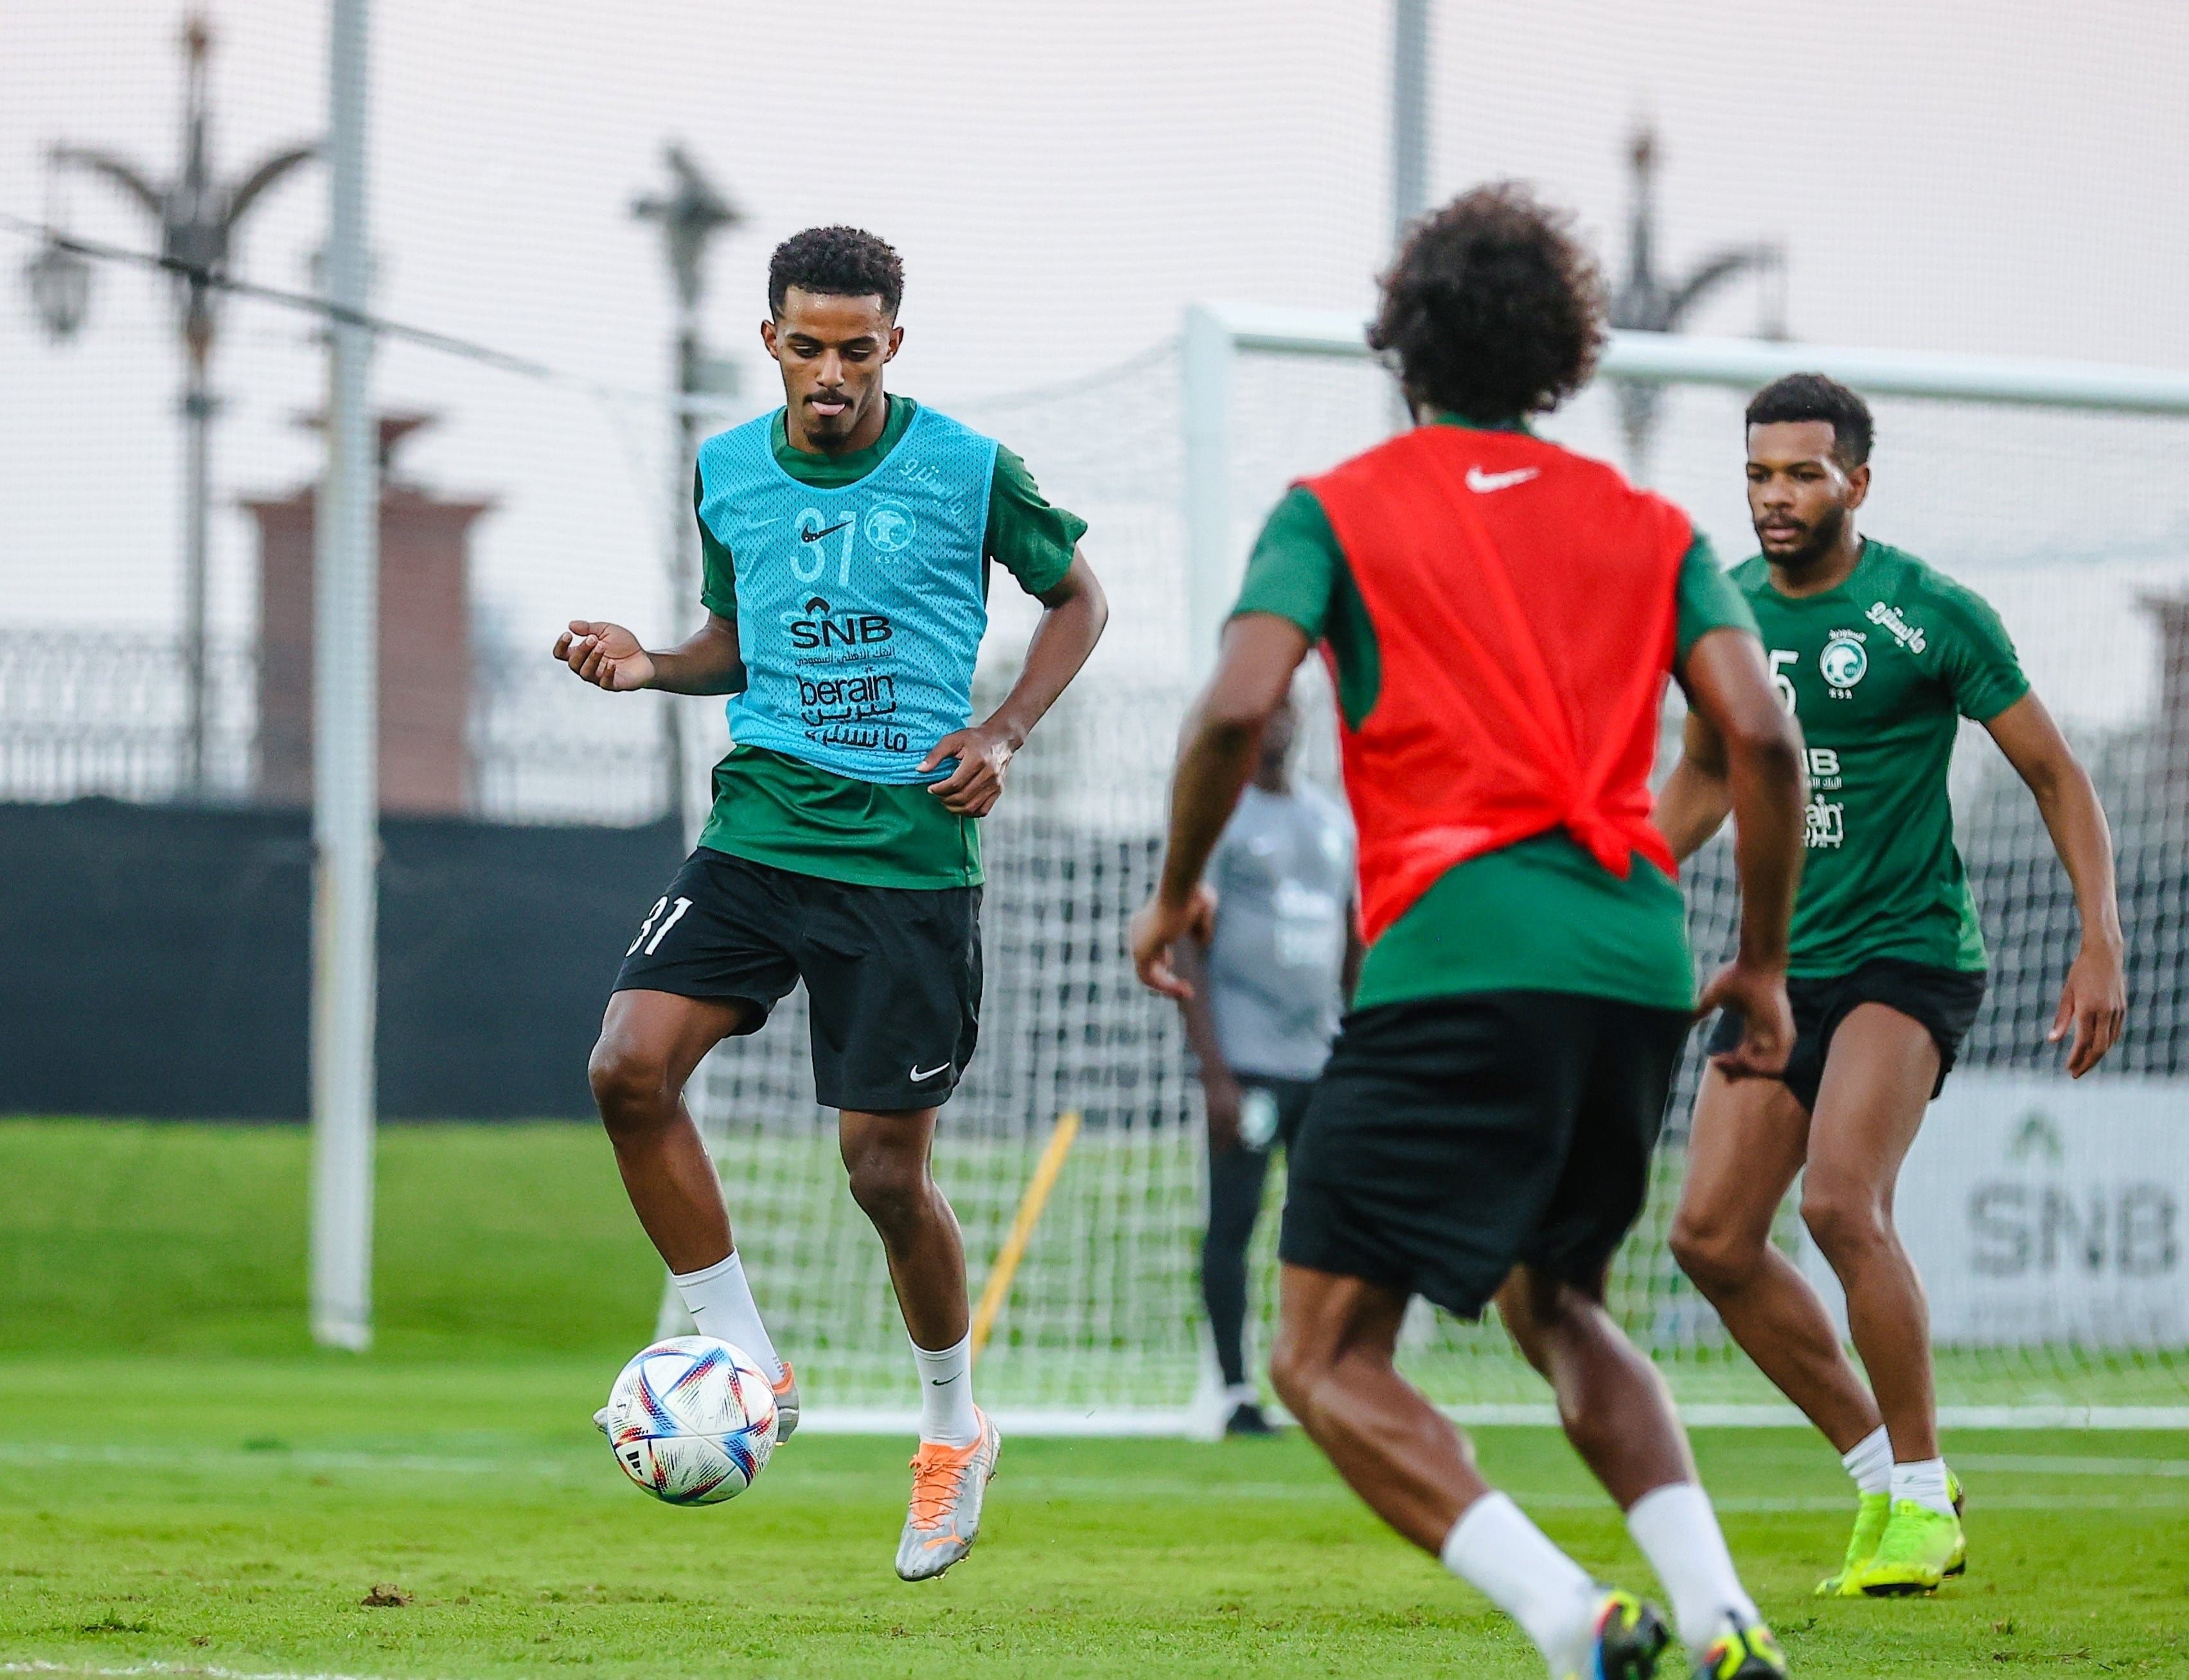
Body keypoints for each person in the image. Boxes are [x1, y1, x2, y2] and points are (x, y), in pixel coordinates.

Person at [1131, 184, 1806, 1680]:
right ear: (1562, 357)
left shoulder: (1333, 509)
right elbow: (1758, 737)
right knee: (1558, 1299)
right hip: (1633, 960)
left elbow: (1236, 709)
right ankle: (1721, 1615)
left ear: (1401, 344)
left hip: (1454, 955)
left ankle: (1574, 1618)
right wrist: (1758, 961)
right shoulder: (1651, 527)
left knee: (1319, 1350)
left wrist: (1176, 886)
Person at [554, 225, 1108, 1582]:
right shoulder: (727, 470)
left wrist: (1004, 731)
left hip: (907, 859)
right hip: (759, 831)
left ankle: (951, 1429)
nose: (830, 374)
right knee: (627, 1068)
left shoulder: (967, 469)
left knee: (882, 1174)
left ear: (892, 345)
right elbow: (732, 643)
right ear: (771, 341)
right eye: (806, 346)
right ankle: (744, 1354)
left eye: (857, 349)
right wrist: (650, 662)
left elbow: (1079, 599)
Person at [1662, 373, 2126, 1597]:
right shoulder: (1719, 612)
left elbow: (2055, 774)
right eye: (1757, 473)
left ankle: (1921, 1499)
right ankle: (1891, 1479)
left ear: (1855, 484)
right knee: (1708, 1238)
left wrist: (2099, 938)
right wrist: (1614, 875)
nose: (1774, 495)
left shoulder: (1929, 614)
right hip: (1781, 964)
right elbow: (1703, 775)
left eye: (1801, 473)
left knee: (1836, 1204)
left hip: (1908, 955)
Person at [1167, 693, 1360, 1438]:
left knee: (1330, 1223)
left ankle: (1324, 1371)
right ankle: (1233, 1388)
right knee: (1234, 1221)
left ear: (1301, 719)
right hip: (1246, 1064)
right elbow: (1186, 939)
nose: (1275, 720)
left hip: (1322, 1061)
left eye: (1286, 708)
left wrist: (1359, 1044)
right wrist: (1212, 1071)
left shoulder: (1332, 820)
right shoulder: (1221, 816)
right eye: (1264, 709)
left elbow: (1351, 935)